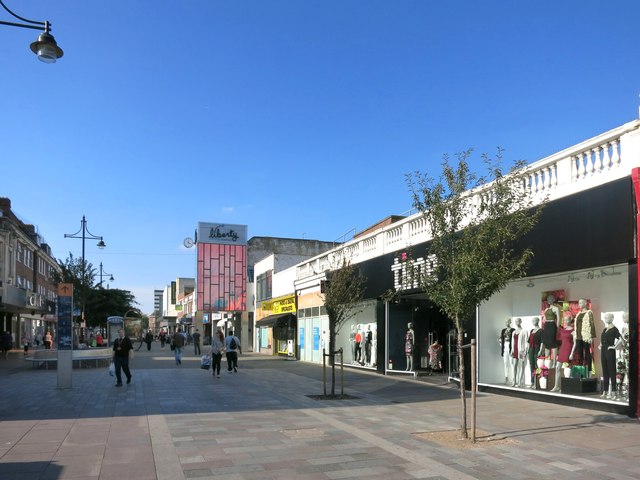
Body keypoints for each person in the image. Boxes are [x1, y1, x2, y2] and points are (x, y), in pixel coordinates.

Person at [550, 315, 576, 392]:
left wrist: (572, 353)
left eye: (567, 320)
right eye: (564, 320)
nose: (565, 321)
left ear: (570, 320)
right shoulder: (562, 330)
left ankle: (567, 387)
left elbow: (575, 343)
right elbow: (559, 341)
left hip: (568, 349)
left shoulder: (573, 331)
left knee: (568, 368)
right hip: (562, 349)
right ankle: (556, 386)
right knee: (557, 367)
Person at [599, 313, 621, 399]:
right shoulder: (605, 329)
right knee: (605, 371)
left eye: (607, 318)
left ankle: (614, 392)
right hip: (603, 351)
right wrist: (600, 345)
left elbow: (620, 339)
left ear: (612, 318)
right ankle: (605, 391)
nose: (605, 319)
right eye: (605, 318)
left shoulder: (614, 329)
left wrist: (614, 346)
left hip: (610, 351)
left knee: (612, 371)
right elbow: (602, 340)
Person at [574, 298, 596, 376]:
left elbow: (592, 324)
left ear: (585, 303)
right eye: (579, 303)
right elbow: (576, 325)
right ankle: (581, 371)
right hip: (579, 336)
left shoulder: (589, 312)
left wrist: (592, 336)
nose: (580, 304)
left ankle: (589, 371)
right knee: (579, 354)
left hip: (586, 336)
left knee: (587, 353)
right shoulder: (578, 314)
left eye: (581, 303)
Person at [540, 294, 560, 364]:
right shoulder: (546, 309)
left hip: (552, 325)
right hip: (546, 326)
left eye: (550, 299)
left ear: (553, 300)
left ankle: (554, 361)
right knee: (547, 342)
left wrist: (557, 329)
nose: (549, 300)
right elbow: (544, 319)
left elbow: (558, 319)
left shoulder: (556, 308)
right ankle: (547, 360)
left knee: (553, 342)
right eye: (548, 299)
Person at [511, 318, 528, 387]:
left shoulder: (524, 331)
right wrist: (512, 350)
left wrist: (525, 351)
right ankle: (514, 381)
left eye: (518, 321)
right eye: (515, 321)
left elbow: (526, 342)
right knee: (514, 365)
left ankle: (520, 382)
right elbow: (512, 342)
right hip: (515, 350)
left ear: (520, 322)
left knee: (521, 366)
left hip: (521, 351)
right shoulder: (514, 332)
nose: (516, 322)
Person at [528, 317, 543, 389]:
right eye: (532, 320)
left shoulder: (541, 331)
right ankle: (532, 382)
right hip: (531, 349)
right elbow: (528, 342)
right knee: (531, 365)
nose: (533, 321)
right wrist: (528, 350)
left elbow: (542, 342)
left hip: (537, 348)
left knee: (537, 365)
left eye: (535, 320)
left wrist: (540, 350)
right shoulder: (531, 331)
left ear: (538, 321)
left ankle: (537, 382)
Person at [498, 318, 514, 384]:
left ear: (510, 322)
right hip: (505, 346)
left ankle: (514, 378)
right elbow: (501, 338)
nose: (507, 323)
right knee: (505, 362)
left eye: (508, 322)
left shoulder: (513, 330)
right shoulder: (503, 330)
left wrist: (512, 349)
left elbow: (513, 340)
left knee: (512, 362)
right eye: (506, 322)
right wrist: (500, 344)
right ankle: (506, 377)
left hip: (510, 346)